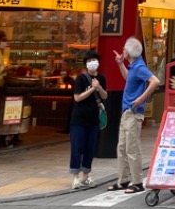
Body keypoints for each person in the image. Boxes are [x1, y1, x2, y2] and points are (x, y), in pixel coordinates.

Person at [107, 37, 159, 194]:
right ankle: (123, 180)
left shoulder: (140, 67)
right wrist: (120, 64)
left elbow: (155, 81)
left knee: (132, 147)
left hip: (134, 112)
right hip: (127, 111)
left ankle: (137, 182)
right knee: (122, 147)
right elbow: (127, 79)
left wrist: (141, 98)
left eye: (124, 48)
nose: (123, 50)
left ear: (128, 51)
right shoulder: (134, 67)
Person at [68, 50, 108, 190]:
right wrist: (92, 89)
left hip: (93, 120)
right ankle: (75, 177)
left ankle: (86, 176)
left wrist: (99, 87)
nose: (93, 63)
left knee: (90, 148)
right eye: (90, 61)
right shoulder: (81, 78)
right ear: (86, 64)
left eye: (95, 60)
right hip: (79, 119)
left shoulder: (101, 78)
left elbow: (104, 96)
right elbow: (77, 98)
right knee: (77, 147)